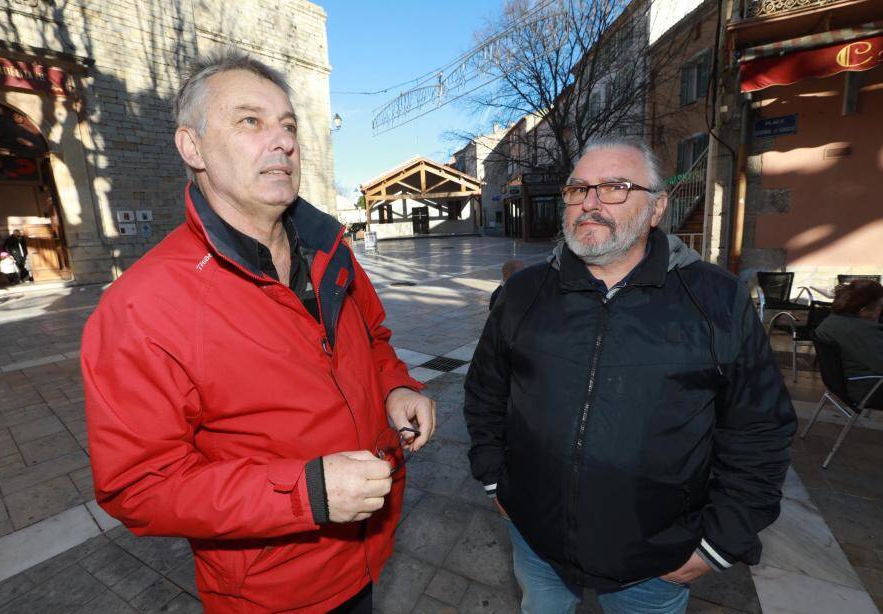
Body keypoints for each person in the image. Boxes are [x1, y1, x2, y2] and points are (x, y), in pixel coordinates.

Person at [82, 48, 436, 614]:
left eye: (288, 125)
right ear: (191, 147)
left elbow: (373, 338)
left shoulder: (330, 249)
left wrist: (396, 386)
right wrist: (307, 494)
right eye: (250, 121)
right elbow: (138, 487)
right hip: (274, 591)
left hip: (368, 551)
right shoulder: (142, 307)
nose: (284, 141)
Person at [464, 136, 797, 613]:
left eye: (615, 187)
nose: (590, 203)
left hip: (656, 560)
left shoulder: (716, 301)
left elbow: (759, 430)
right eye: (578, 189)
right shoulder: (522, 293)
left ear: (658, 207)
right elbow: (485, 392)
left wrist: (718, 543)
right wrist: (496, 480)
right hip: (536, 542)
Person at [814, 280, 883, 407]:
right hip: (867, 389)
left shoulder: (832, 321)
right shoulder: (861, 330)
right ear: (863, 310)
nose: (880, 311)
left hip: (843, 385)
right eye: (880, 306)